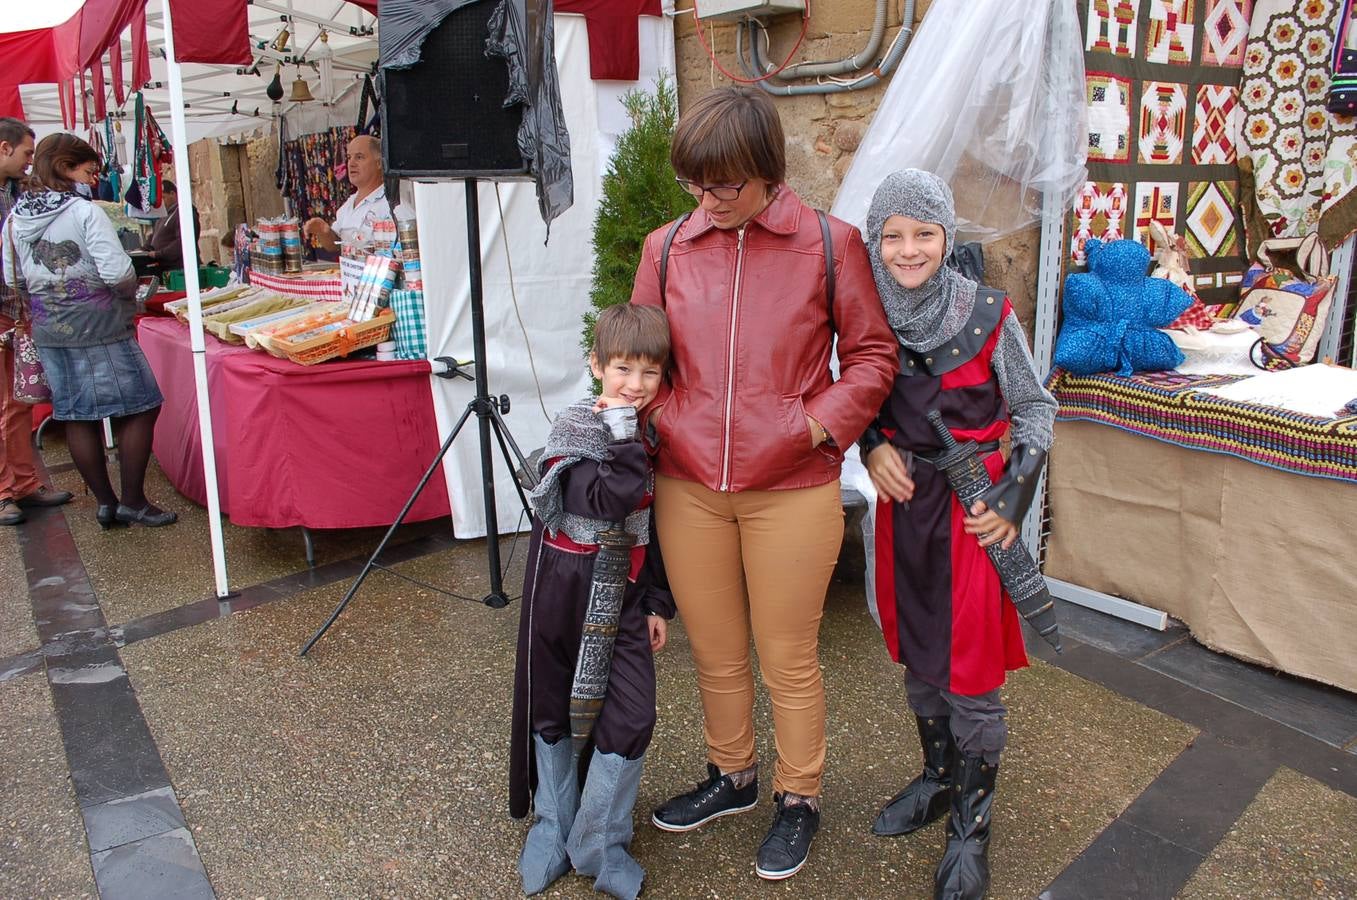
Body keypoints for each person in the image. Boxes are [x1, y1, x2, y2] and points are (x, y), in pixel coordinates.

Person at [630, 87, 898, 881]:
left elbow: (873, 357)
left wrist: (810, 427)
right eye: (697, 186)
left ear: (766, 172)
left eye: (725, 185)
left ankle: (798, 796)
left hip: (791, 487)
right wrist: (670, 421)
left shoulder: (828, 243)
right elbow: (644, 361)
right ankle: (732, 776)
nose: (709, 202)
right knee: (713, 652)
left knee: (787, 656)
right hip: (689, 487)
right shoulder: (666, 246)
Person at [858, 169, 1056, 900]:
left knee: (969, 668)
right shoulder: (866, 312)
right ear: (876, 242)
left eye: (924, 233)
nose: (908, 250)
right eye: (894, 236)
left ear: (946, 236)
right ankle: (938, 777)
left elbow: (1035, 408)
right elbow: (859, 400)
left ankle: (970, 830)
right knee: (917, 651)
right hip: (904, 506)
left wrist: (1013, 490)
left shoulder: (986, 312)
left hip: (975, 512)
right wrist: (869, 442)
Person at [508, 303, 676, 900]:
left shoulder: (647, 434)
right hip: (562, 587)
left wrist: (656, 601)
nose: (635, 385)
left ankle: (598, 840)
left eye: (649, 374)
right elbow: (610, 499)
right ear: (596, 365)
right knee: (552, 709)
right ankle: (554, 827)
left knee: (632, 715)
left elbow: (649, 524)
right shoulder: (577, 429)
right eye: (623, 370)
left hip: (622, 596)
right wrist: (625, 434)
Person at [1, 134, 176, 529]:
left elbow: (13, 277)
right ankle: (131, 500)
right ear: (66, 168)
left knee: (76, 414)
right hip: (100, 325)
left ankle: (105, 502)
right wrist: (128, 290)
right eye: (88, 170)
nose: (93, 179)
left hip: (50, 327)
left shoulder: (16, 217)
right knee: (143, 405)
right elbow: (116, 271)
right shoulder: (83, 212)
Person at [0, 117, 73, 526]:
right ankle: (2, 491)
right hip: (2, 308)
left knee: (18, 402)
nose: (31, 162)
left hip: (20, 309)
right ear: (4, 148)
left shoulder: (17, 193)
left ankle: (24, 484)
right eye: (27, 153)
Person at [302, 134, 409, 253]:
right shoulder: (348, 205)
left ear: (379, 163)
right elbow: (336, 246)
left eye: (359, 157)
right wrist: (324, 232)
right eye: (349, 157)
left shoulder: (393, 205)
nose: (351, 163)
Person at [139, 180, 200, 271]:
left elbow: (183, 241)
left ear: (173, 194)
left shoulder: (185, 212)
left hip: (179, 267)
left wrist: (159, 254)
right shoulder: (163, 215)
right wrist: (143, 250)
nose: (161, 203)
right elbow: (155, 236)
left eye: (163, 198)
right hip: (164, 266)